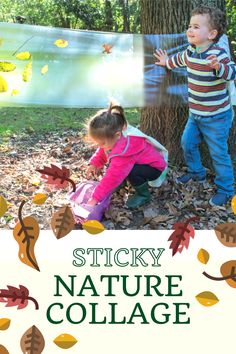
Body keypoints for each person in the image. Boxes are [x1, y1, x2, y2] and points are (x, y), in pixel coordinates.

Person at [154, 5, 236, 206]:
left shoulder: (218, 54)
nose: (190, 30)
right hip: (196, 115)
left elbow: (232, 73)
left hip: (217, 116)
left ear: (211, 34)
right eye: (190, 26)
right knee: (187, 143)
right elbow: (177, 60)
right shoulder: (190, 51)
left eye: (196, 27)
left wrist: (218, 67)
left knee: (218, 153)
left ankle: (227, 189)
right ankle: (196, 172)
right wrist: (166, 61)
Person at [85, 103, 167, 209]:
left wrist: (95, 198)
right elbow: (102, 150)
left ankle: (143, 195)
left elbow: (113, 176)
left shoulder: (125, 150)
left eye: (102, 143)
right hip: (140, 162)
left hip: (154, 168)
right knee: (118, 163)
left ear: (118, 135)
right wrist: (94, 163)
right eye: (98, 143)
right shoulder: (115, 136)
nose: (100, 146)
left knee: (131, 171)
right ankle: (122, 182)